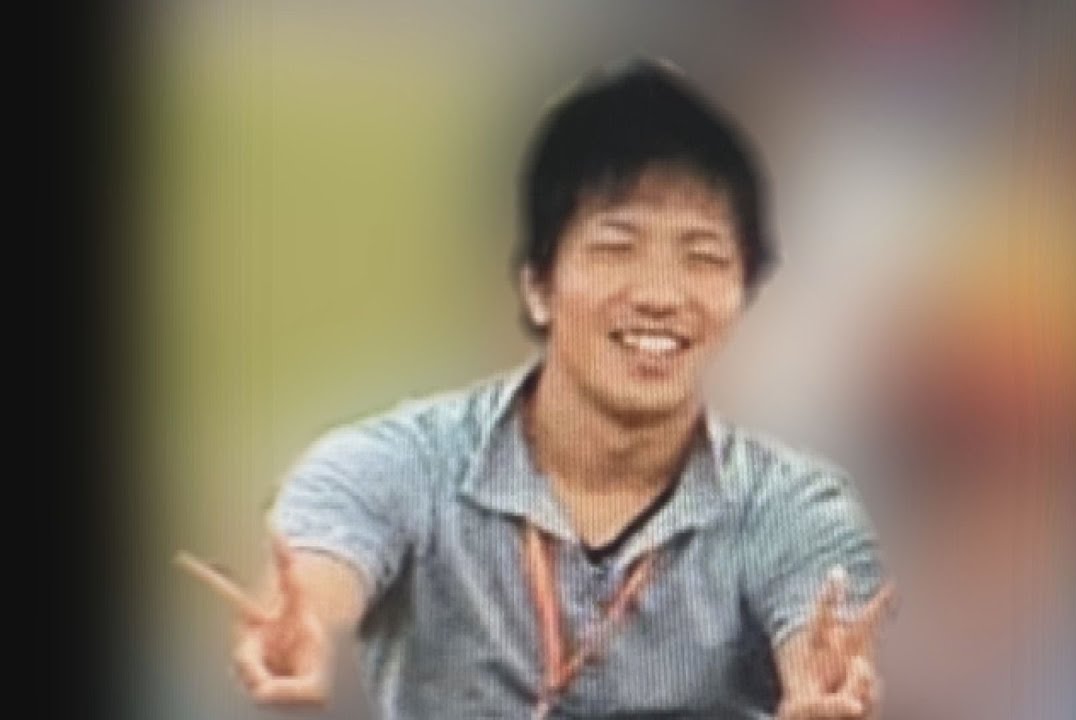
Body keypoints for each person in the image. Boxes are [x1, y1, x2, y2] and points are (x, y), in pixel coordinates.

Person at [178, 58, 893, 719]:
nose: (660, 295)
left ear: (744, 298)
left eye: (702, 258)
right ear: (538, 287)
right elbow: (324, 561)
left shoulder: (791, 507)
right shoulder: (403, 462)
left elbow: (822, 635)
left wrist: (825, 684)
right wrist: (305, 626)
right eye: (616, 249)